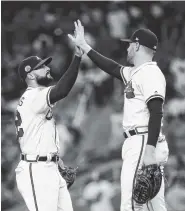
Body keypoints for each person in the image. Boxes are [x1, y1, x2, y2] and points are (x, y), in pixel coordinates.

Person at [68, 20, 169, 211]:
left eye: (130, 44)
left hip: (143, 140)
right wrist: (85, 46)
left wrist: (148, 150)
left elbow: (156, 112)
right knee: (154, 207)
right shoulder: (136, 72)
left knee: (130, 205)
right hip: (143, 140)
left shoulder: (150, 73)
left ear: (137, 45)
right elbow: (112, 68)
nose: (128, 48)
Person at [14, 42, 83, 211]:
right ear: (30, 75)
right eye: (41, 67)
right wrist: (77, 57)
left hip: (48, 166)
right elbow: (62, 90)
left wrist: (55, 158)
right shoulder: (33, 96)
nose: (47, 68)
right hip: (37, 170)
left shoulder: (35, 98)